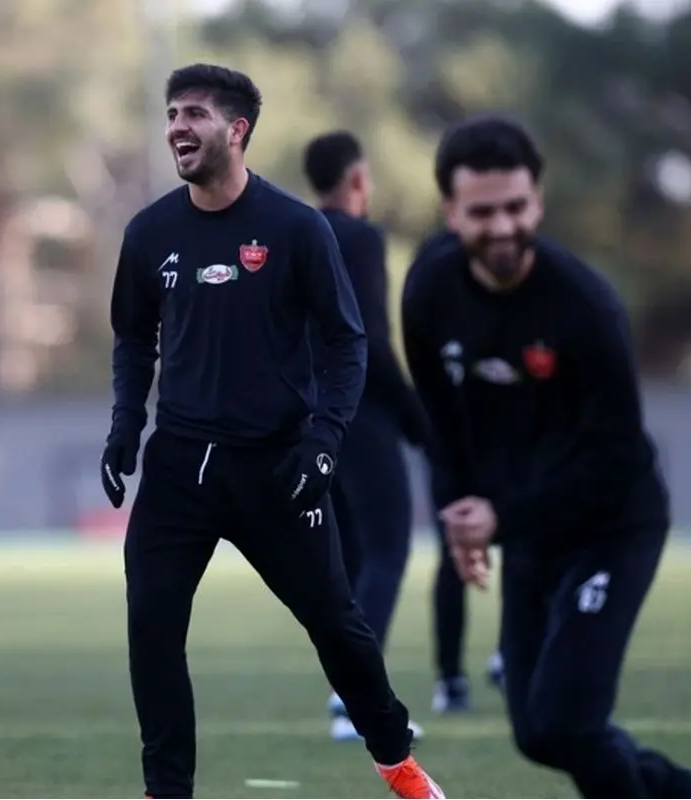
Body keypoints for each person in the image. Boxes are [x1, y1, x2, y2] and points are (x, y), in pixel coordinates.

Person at [102, 64, 444, 800]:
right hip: (179, 469)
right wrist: (126, 424)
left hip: (278, 469)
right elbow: (132, 338)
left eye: (194, 114)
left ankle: (397, 761)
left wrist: (324, 440)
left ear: (238, 130)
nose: (177, 127)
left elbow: (347, 342)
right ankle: (167, 791)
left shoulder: (295, 228)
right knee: (151, 630)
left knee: (337, 625)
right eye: (171, 113)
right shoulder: (150, 232)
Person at [400, 112, 691, 799]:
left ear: (538, 202)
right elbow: (442, 419)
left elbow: (615, 455)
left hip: (614, 524)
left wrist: (499, 519)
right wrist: (458, 512)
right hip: (529, 530)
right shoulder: (429, 291)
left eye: (516, 206)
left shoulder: (585, 306)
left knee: (567, 721)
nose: (502, 226)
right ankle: (684, 790)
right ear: (451, 212)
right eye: (482, 212)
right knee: (536, 731)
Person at [300, 131, 429, 743]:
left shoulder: (295, 231)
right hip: (361, 414)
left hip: (310, 418)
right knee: (388, 548)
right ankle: (354, 698)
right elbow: (370, 337)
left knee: (349, 559)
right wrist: (413, 417)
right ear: (357, 179)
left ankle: (347, 693)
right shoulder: (360, 238)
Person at [410, 230, 506, 715]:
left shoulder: (505, 303)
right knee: (455, 553)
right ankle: (450, 676)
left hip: (505, 449)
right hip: (453, 451)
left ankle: (510, 655)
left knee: (527, 547)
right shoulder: (431, 301)